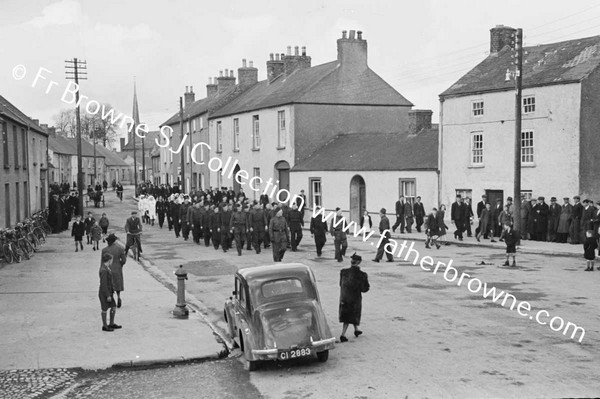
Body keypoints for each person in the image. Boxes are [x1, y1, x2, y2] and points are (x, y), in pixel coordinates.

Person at [339, 253, 369, 342]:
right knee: (351, 315)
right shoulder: (362, 275)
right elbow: (365, 289)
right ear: (359, 262)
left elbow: (340, 284)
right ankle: (342, 335)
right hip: (355, 298)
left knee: (348, 315)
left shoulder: (343, 271)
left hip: (344, 297)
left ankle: (356, 330)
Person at [102, 233, 127, 308]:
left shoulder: (104, 250)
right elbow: (124, 260)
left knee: (109, 284)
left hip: (108, 269)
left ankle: (111, 298)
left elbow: (102, 262)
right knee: (118, 284)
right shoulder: (120, 248)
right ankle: (118, 296)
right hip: (117, 268)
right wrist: (120, 265)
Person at [98, 253, 121, 332]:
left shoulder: (106, 268)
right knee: (104, 308)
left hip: (109, 292)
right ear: (109, 260)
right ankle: (105, 326)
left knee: (113, 306)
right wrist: (108, 295)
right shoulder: (104, 270)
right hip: (104, 292)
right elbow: (103, 284)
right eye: (111, 260)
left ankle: (111, 323)